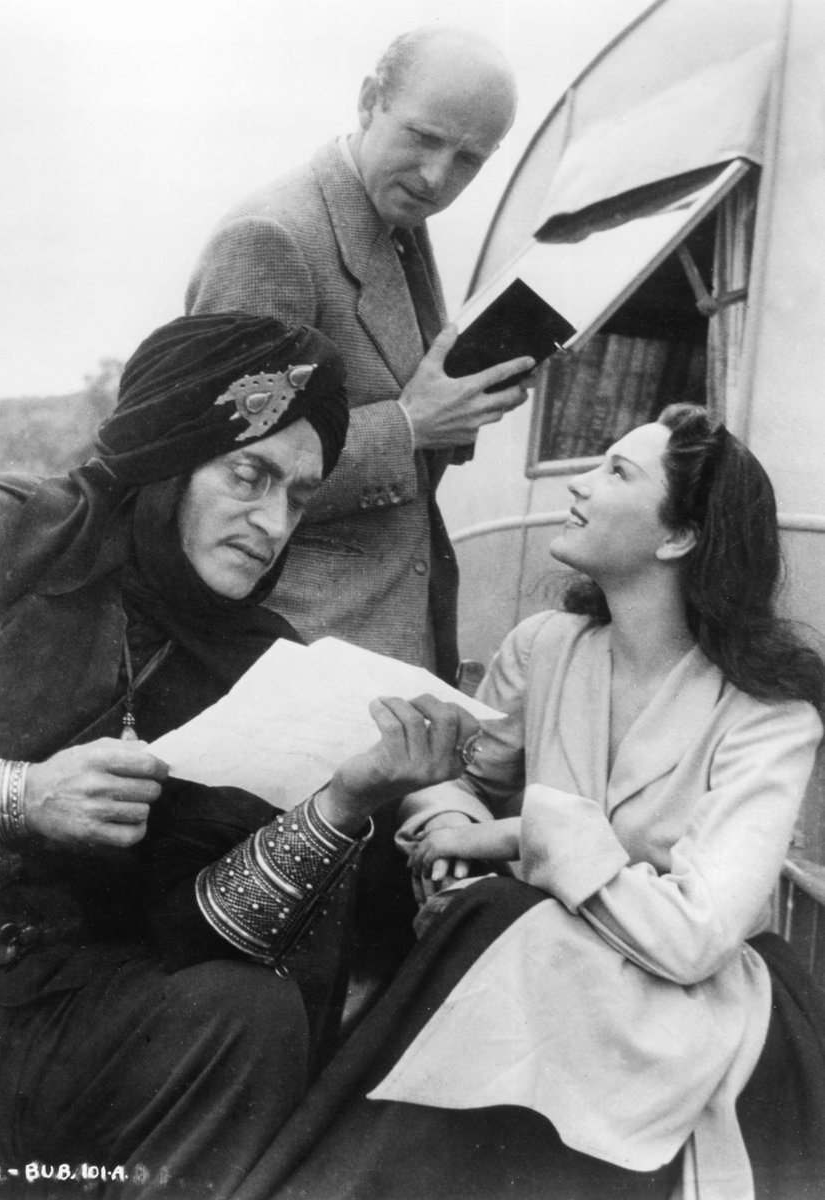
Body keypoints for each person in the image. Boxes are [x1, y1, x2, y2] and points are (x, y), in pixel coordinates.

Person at [0, 312, 479, 1199]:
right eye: (251, 474)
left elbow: (199, 929)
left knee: (246, 1015)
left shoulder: (258, 661)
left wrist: (342, 805)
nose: (273, 520)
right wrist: (20, 796)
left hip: (60, 1015)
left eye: (298, 495)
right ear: (172, 455)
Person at [232, 404, 825, 1200]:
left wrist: (523, 833)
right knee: (486, 930)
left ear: (679, 536)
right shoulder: (547, 645)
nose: (580, 482)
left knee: (494, 926)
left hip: (689, 1012)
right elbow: (460, 774)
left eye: (616, 471)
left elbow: (694, 939)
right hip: (535, 969)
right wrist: (449, 829)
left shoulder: (770, 715)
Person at [185, 25, 532, 685]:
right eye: (424, 138)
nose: (437, 177)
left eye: (469, 160)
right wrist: (410, 427)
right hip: (291, 660)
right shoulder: (273, 237)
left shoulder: (397, 223)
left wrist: (467, 401)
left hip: (371, 657)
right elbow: (213, 477)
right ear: (369, 99)